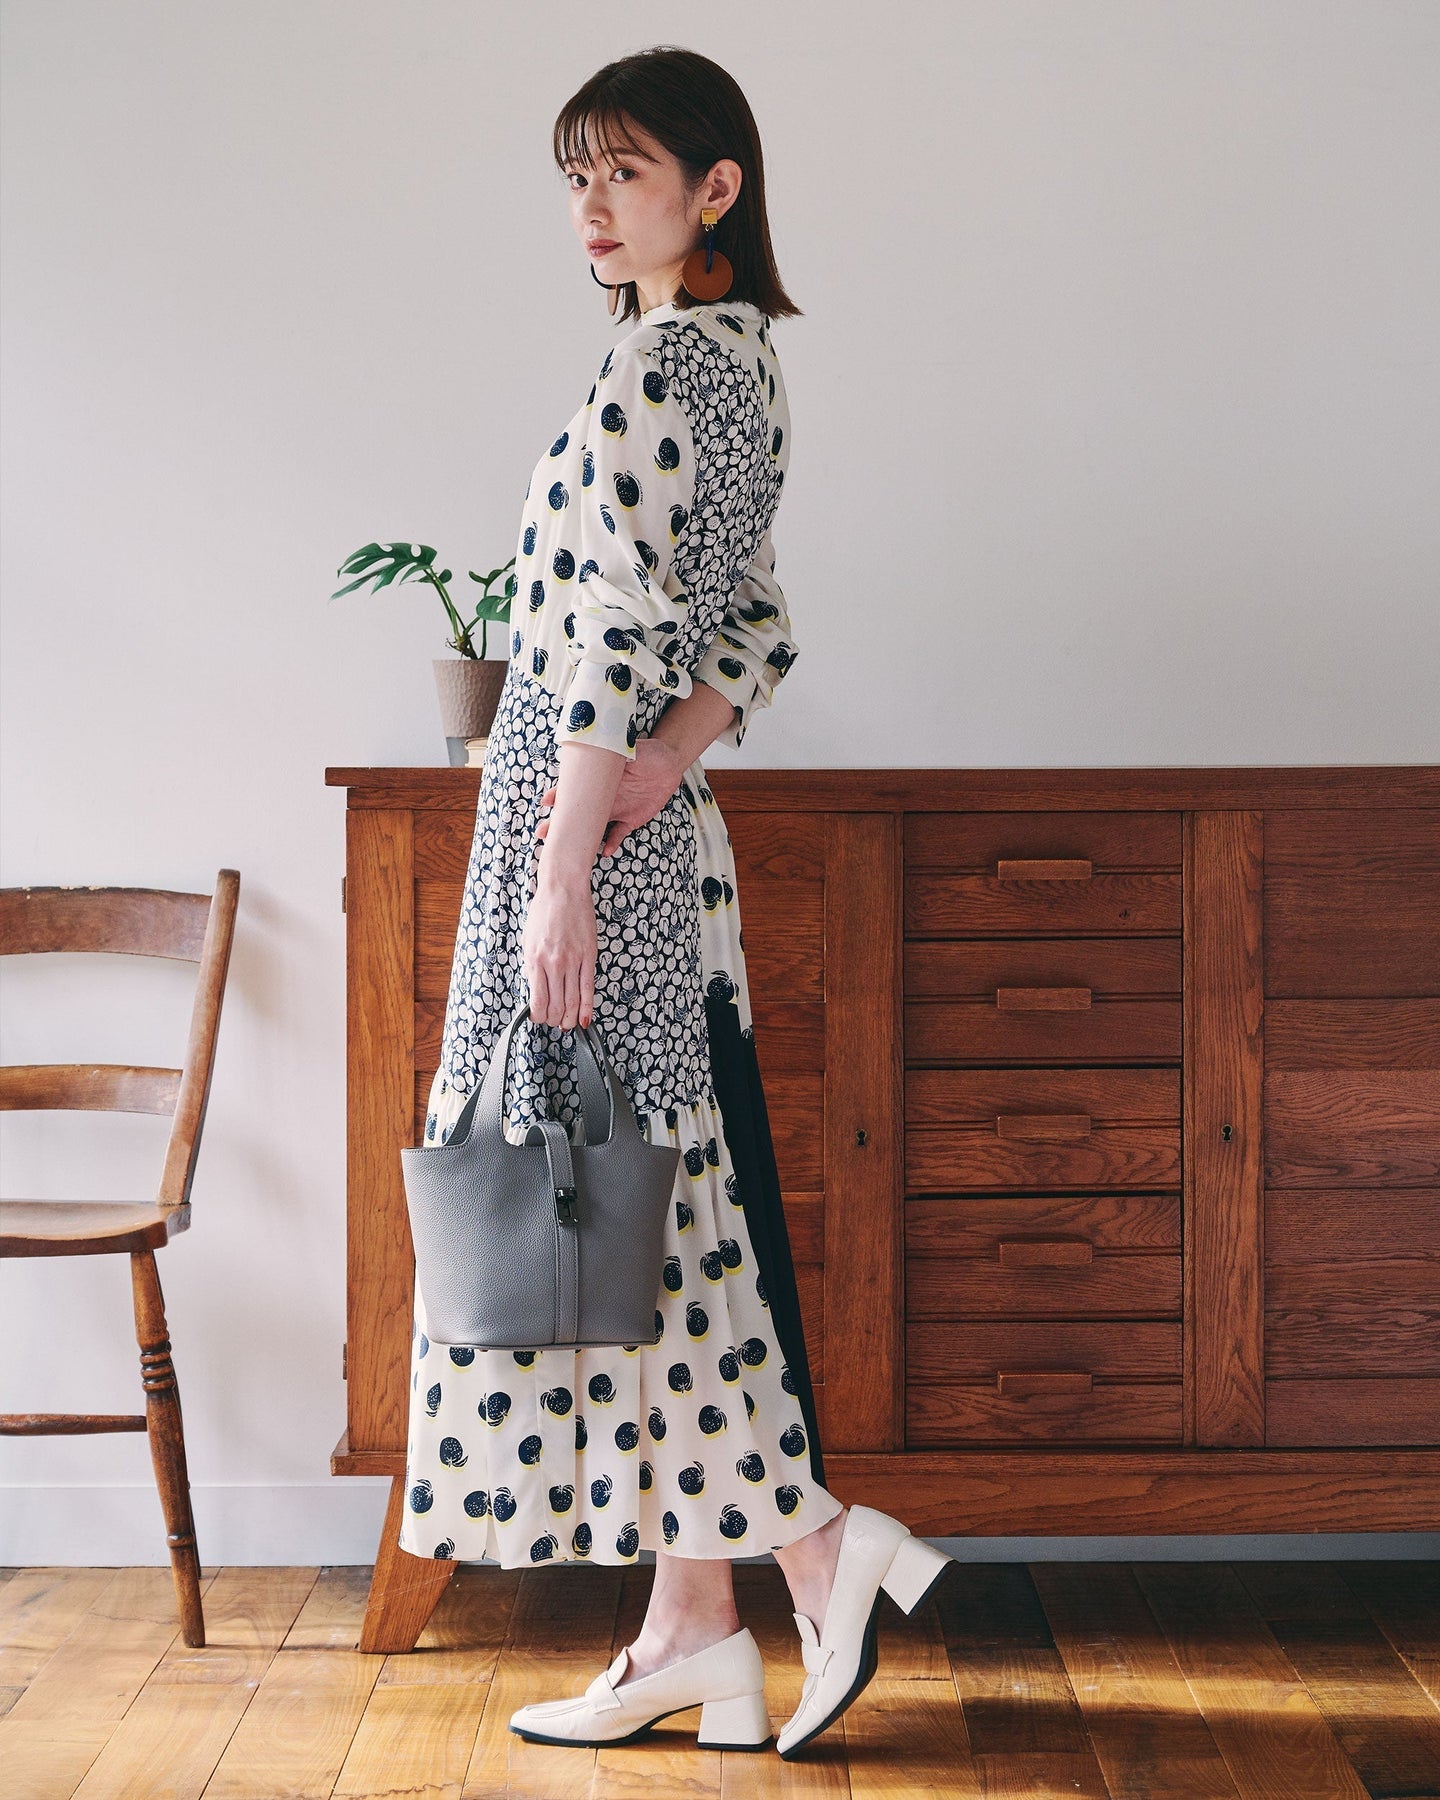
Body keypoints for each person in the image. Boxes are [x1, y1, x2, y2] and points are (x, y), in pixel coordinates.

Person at [397, 45, 954, 1759]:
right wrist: (661, 766)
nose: (590, 204)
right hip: (635, 831)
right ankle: (694, 1623)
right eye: (576, 175)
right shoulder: (736, 361)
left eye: (623, 171)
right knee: (659, 1219)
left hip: (584, 848)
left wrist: (568, 859)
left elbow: (617, 633)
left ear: (717, 187)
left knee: (624, 1218)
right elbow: (755, 630)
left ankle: (811, 1550)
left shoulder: (659, 370)